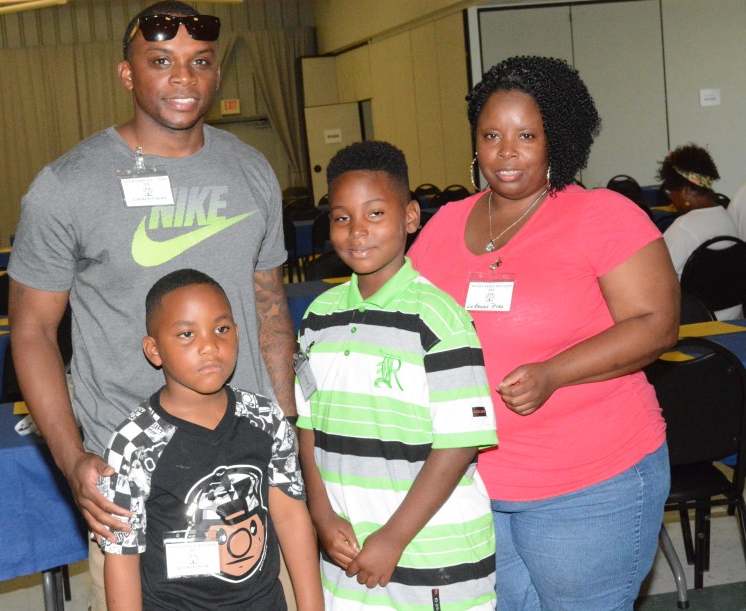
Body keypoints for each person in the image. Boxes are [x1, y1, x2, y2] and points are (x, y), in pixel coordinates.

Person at [7, 2, 297, 608]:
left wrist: (287, 430)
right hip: (135, 483)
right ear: (127, 74)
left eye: (200, 62)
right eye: (161, 61)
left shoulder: (251, 170)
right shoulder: (67, 186)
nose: (184, 78)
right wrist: (71, 456)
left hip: (249, 470)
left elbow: (270, 309)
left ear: (217, 73)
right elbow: (32, 331)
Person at [407, 56, 679, 610]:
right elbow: (407, 319)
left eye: (526, 136)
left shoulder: (603, 215)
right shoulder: (445, 224)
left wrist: (553, 373)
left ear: (558, 138)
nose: (506, 152)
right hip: (471, 479)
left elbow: (657, 324)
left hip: (591, 481)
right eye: (492, 136)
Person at [296, 140, 499, 609]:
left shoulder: (439, 318)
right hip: (347, 556)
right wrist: (322, 515)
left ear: (410, 217)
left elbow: (460, 443)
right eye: (342, 217)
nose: (357, 231)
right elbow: (307, 427)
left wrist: (393, 538)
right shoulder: (318, 317)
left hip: (432, 558)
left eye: (375, 214)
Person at [97, 268, 322, 610]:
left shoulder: (265, 418)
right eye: (187, 334)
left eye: (221, 329)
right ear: (154, 350)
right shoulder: (133, 444)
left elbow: (291, 518)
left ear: (238, 334)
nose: (209, 346)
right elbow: (122, 557)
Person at [658, 144, 742, 319]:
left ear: (687, 191)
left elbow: (655, 277)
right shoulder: (727, 218)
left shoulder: (683, 228)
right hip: (734, 320)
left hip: (695, 323)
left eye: (671, 191)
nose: (671, 198)